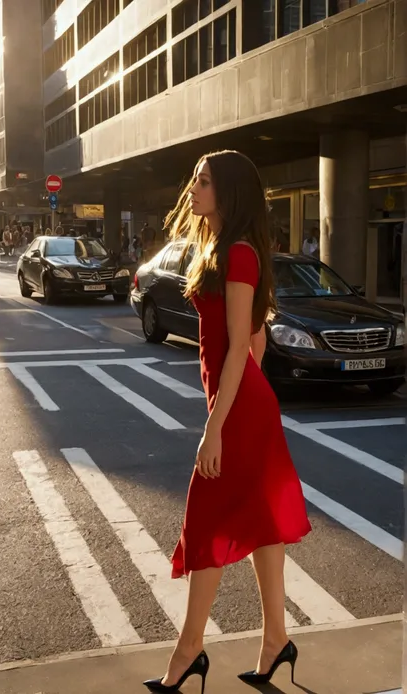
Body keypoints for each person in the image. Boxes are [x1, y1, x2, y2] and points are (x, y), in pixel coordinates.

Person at [143, 151, 311, 693]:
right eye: (195, 180)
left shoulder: (238, 253)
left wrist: (218, 425)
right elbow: (256, 340)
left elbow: (241, 345)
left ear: (229, 192)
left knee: (207, 520)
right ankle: (275, 639)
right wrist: (235, 401)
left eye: (204, 182)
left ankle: (189, 652)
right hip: (244, 405)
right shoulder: (222, 249)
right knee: (260, 520)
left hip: (239, 413)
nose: (193, 190)